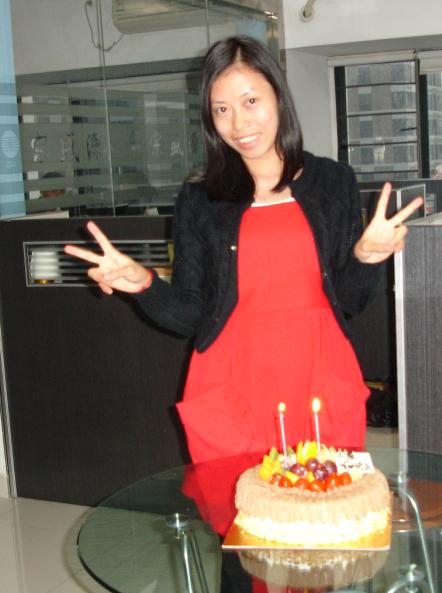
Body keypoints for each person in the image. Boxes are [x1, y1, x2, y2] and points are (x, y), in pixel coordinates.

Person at [65, 36, 421, 465]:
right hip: (231, 387)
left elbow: (348, 301)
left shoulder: (332, 182)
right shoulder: (201, 198)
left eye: (251, 101)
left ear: (278, 96)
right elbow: (191, 314)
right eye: (222, 109)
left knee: (326, 503)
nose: (238, 123)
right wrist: (143, 284)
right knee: (238, 508)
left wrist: (366, 258)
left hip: (319, 381)